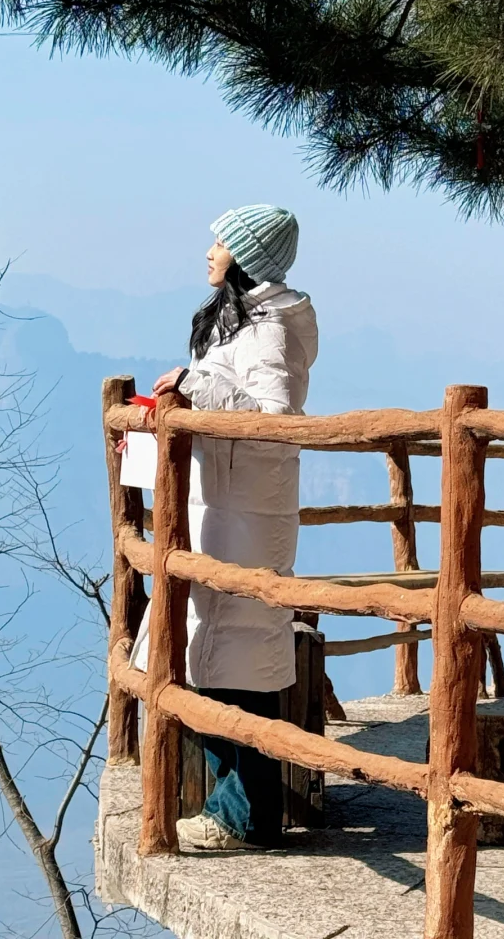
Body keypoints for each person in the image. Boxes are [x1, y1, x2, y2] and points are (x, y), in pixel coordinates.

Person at [146, 204, 319, 851]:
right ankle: (237, 808)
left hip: (251, 510)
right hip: (221, 502)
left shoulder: (269, 329)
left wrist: (196, 386)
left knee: (236, 664)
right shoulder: (238, 319)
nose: (209, 249)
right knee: (203, 658)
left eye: (221, 241)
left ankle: (248, 817)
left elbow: (275, 418)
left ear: (247, 254)